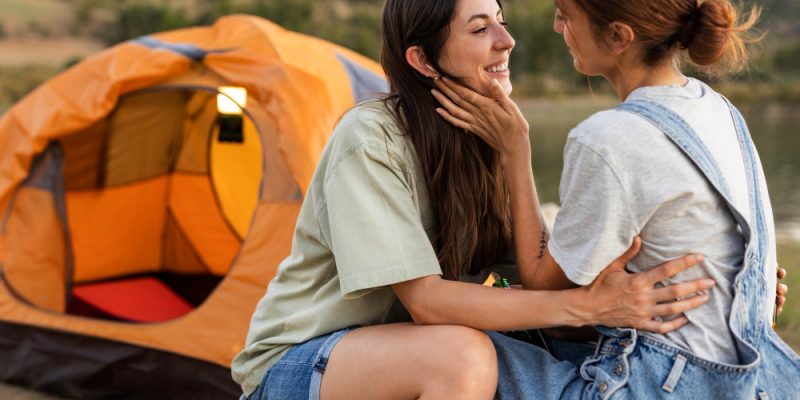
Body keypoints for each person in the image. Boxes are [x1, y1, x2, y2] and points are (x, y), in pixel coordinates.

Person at [231, 0, 721, 399]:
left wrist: (718, 280)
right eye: (480, 29)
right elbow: (426, 302)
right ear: (423, 60)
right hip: (302, 360)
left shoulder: (493, 135)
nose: (507, 42)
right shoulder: (371, 137)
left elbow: (542, 282)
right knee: (466, 356)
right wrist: (584, 304)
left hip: (415, 348)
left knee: (601, 345)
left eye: (502, 25)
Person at [432, 0, 797, 397]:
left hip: (656, 386)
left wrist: (515, 152)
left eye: (566, 15)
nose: (557, 26)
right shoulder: (719, 109)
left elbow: (544, 289)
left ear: (619, 36)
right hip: (753, 382)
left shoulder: (610, 138)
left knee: (447, 351)